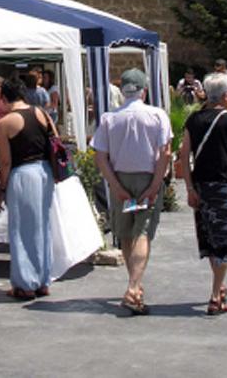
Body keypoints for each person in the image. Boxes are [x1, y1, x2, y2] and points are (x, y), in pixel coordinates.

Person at [91, 68, 172, 315]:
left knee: (126, 233)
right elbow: (165, 153)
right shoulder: (157, 115)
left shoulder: (109, 118)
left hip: (120, 179)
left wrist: (115, 186)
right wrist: (155, 185)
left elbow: (100, 157)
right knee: (143, 232)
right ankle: (134, 286)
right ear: (144, 91)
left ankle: (134, 287)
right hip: (148, 176)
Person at [180, 72, 227, 315]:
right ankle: (215, 295)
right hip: (226, 185)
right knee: (225, 240)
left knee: (210, 238)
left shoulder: (194, 119)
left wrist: (188, 187)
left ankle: (220, 286)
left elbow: (183, 156)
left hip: (201, 185)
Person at [0, 78, 56, 300]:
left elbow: (4, 161)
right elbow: (55, 140)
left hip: (23, 173)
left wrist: (2, 188)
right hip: (45, 171)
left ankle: (24, 283)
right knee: (42, 225)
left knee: (21, 229)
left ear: (4, 98)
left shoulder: (5, 123)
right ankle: (43, 279)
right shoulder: (41, 113)